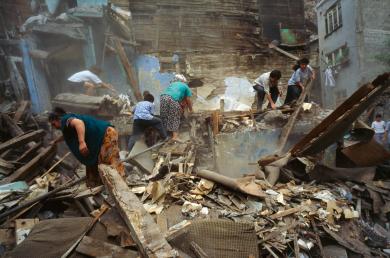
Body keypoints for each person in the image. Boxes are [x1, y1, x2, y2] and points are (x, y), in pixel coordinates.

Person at [49, 107, 124, 187]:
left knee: (109, 162)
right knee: (94, 166)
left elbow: (79, 123)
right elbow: (68, 136)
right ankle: (98, 187)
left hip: (106, 135)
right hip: (103, 137)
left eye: (53, 124)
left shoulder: (65, 120)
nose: (54, 126)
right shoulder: (66, 125)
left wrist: (82, 142)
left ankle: (121, 186)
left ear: (58, 119)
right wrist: (56, 141)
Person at [160, 74, 193, 140]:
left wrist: (181, 108)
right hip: (172, 99)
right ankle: (175, 137)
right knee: (174, 116)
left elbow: (180, 103)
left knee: (165, 116)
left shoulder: (172, 84)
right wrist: (191, 109)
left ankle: (165, 135)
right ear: (184, 81)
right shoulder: (185, 86)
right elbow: (188, 99)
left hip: (163, 98)